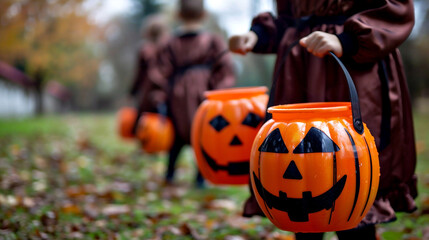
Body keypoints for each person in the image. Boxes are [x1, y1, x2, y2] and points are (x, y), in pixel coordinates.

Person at [229, 0, 417, 239]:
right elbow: (290, 19)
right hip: (301, 69)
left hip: (354, 65)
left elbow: (396, 9)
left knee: (353, 169)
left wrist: (348, 40)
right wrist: (257, 36)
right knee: (298, 158)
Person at [148, 0, 235, 187]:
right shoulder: (213, 41)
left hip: (176, 93)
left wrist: (160, 95)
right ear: (204, 15)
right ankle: (200, 177)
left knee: (176, 137)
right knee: (203, 134)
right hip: (205, 94)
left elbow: (159, 72)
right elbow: (225, 68)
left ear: (178, 15)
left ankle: (170, 174)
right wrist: (219, 92)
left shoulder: (169, 43)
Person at [128, 14, 170, 134]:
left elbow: (139, 75)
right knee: (164, 119)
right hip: (165, 89)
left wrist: (132, 92)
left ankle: (145, 142)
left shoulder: (144, 50)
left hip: (148, 90)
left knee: (144, 119)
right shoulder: (168, 48)